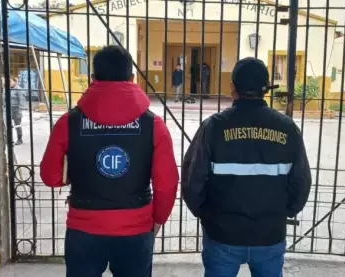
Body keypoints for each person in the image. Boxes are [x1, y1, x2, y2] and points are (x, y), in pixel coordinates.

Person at [40, 46, 179, 277]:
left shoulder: (69, 123)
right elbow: (167, 184)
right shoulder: (153, 125)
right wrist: (158, 219)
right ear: (132, 79)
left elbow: (50, 177)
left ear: (93, 78)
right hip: (136, 228)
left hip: (83, 228)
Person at [181, 57, 312, 277]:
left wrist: (208, 215)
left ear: (233, 88)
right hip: (269, 235)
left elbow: (191, 179)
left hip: (223, 235)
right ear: (266, 89)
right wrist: (282, 214)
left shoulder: (214, 127)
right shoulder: (288, 129)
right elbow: (301, 182)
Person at [9, 77, 26, 145]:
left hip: (16, 109)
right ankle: (10, 139)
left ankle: (19, 139)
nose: (9, 83)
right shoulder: (7, 89)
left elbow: (22, 100)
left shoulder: (19, 90)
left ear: (15, 82)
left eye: (11, 81)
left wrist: (20, 111)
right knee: (7, 125)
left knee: (17, 125)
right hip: (9, 109)